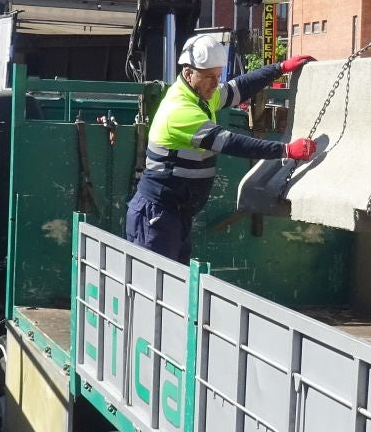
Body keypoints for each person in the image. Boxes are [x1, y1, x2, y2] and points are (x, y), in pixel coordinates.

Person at [125, 32, 316, 263]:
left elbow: (239, 88)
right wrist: (285, 151)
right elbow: (230, 142)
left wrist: (279, 68)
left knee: (172, 287)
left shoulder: (201, 95)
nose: (216, 84)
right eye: (209, 77)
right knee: (155, 288)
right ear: (188, 73)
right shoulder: (179, 110)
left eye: (218, 75)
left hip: (176, 213)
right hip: (157, 215)